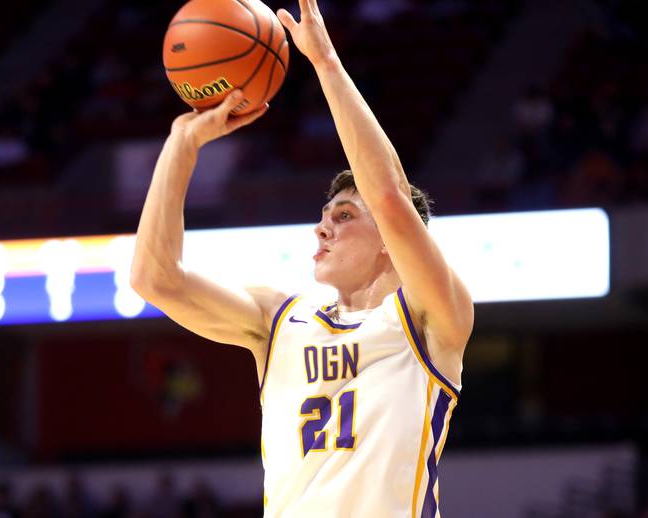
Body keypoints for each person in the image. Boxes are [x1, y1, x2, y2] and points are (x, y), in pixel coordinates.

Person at [130, 1, 473, 516]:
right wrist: (182, 144)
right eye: (324, 215)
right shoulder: (280, 320)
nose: (322, 227)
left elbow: (388, 197)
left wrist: (327, 64)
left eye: (343, 216)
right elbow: (154, 279)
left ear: (390, 241)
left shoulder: (431, 319)